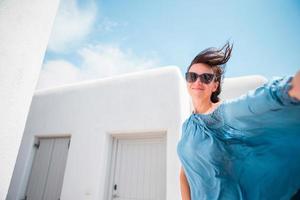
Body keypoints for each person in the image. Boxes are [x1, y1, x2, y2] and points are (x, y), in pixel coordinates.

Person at [176, 42, 300, 200]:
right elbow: (184, 171)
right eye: (192, 76)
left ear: (215, 85)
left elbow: (255, 103)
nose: (197, 81)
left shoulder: (221, 115)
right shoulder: (187, 125)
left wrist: (289, 89)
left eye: (206, 77)